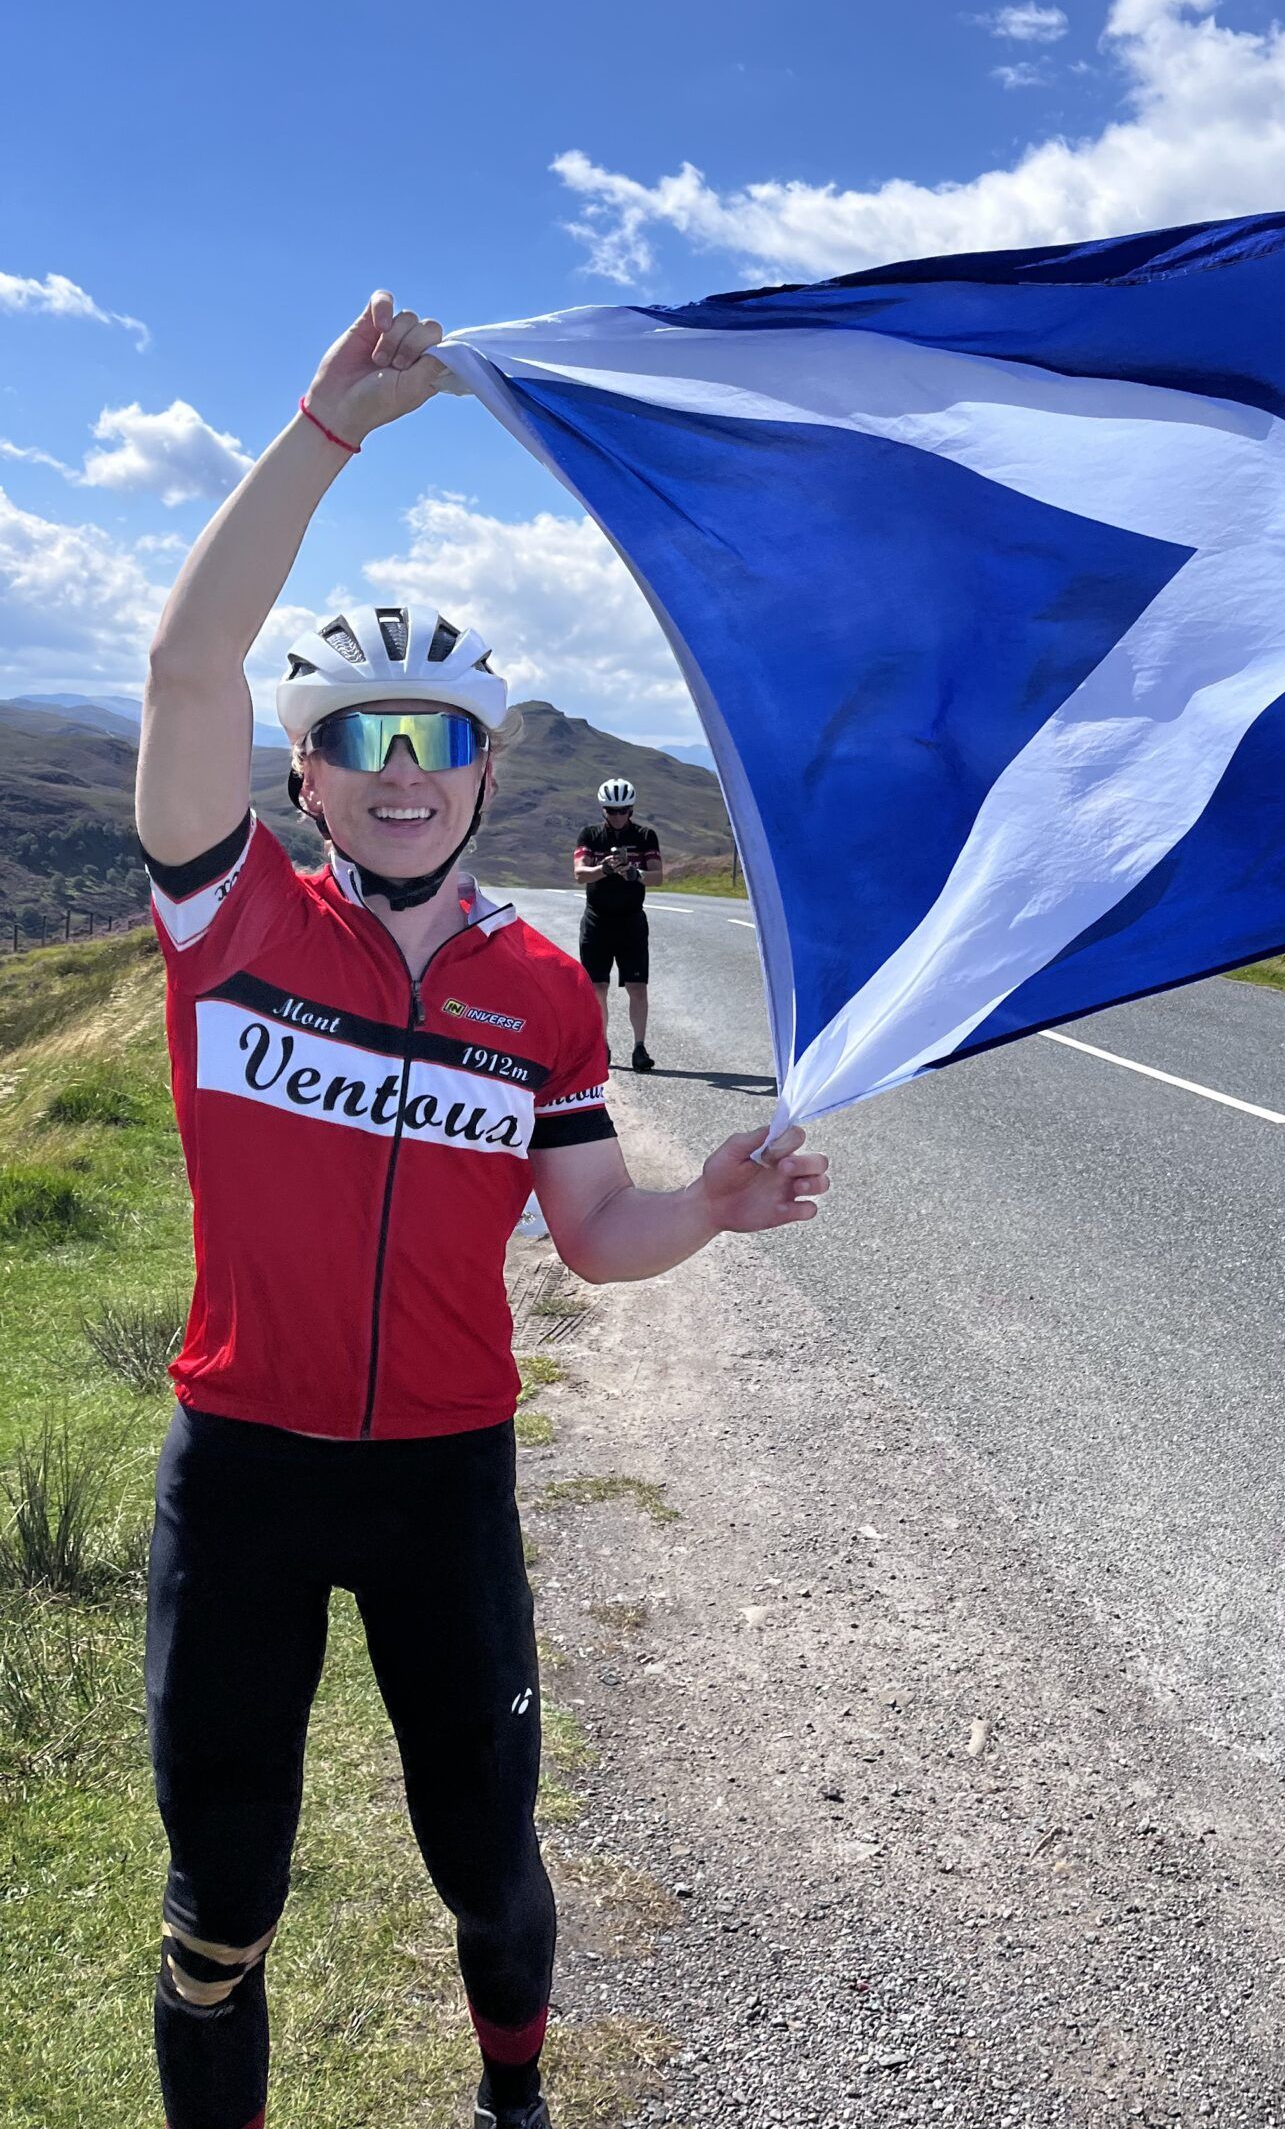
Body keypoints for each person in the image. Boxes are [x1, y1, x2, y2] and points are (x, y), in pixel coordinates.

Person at [133, 292, 828, 2129]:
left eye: (439, 739)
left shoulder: (532, 995)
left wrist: (713, 1206)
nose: (404, 770)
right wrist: (325, 431)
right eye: (361, 740)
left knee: (487, 1863)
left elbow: (594, 1231)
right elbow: (183, 677)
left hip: (447, 1470)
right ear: (310, 777)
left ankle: (512, 2104)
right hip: (245, 1470)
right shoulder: (238, 927)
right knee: (224, 1903)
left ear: (488, 772)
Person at [573, 778, 661, 1072]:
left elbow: (657, 876)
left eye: (623, 810)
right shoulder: (591, 835)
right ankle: (602, 1045)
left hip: (631, 922)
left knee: (637, 986)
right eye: (612, 810)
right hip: (597, 921)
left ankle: (639, 1047)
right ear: (603, 810)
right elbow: (580, 874)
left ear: (632, 809)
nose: (618, 816)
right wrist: (604, 868)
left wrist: (635, 874)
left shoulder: (646, 836)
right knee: (597, 987)